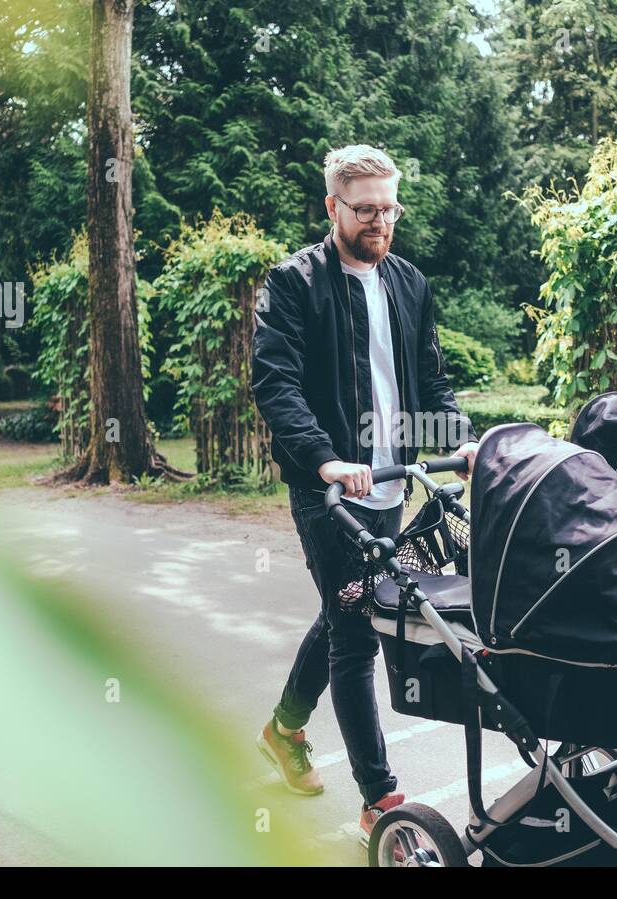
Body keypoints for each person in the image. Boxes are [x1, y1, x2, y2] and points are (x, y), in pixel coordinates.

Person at [251, 144, 478, 846]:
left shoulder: (408, 283)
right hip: (331, 493)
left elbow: (432, 380)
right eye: (366, 209)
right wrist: (323, 461)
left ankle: (284, 730)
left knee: (347, 601)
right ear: (332, 208)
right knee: (357, 632)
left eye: (389, 208)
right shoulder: (294, 284)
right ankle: (381, 798)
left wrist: (462, 438)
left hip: (392, 484)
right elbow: (276, 383)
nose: (380, 221)